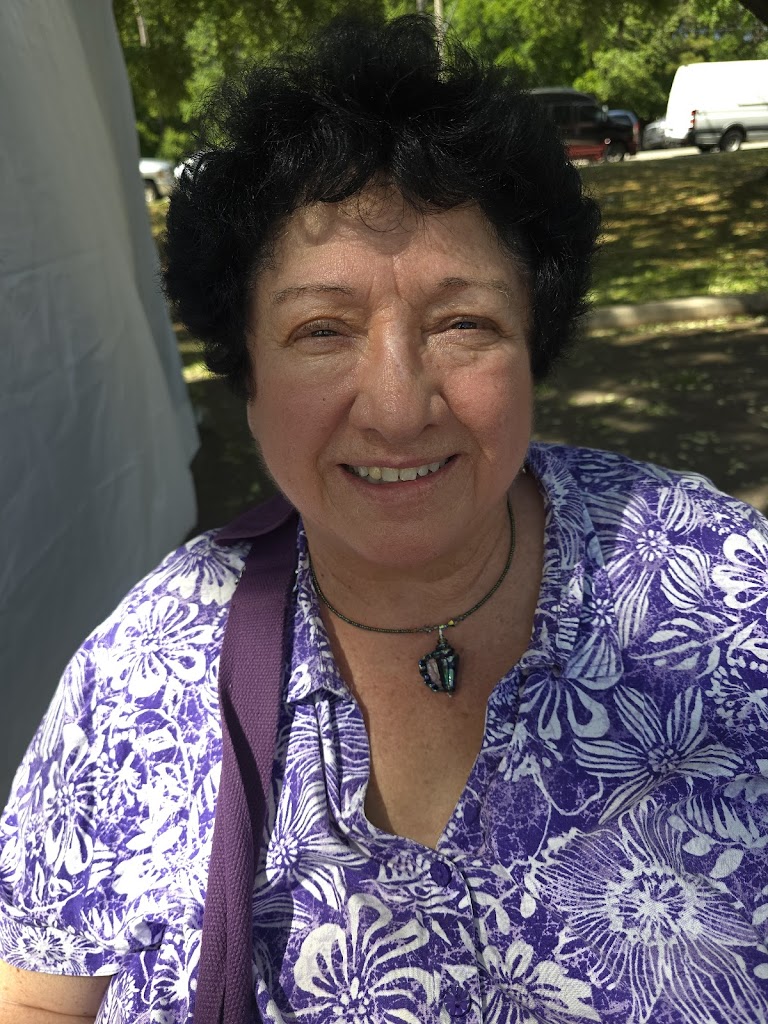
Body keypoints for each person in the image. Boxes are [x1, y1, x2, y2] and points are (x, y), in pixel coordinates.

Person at [1, 14, 767, 1024]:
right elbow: (37, 998)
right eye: (322, 329)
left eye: (464, 322)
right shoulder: (137, 672)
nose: (399, 407)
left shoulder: (724, 591)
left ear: (533, 341)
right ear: (247, 372)